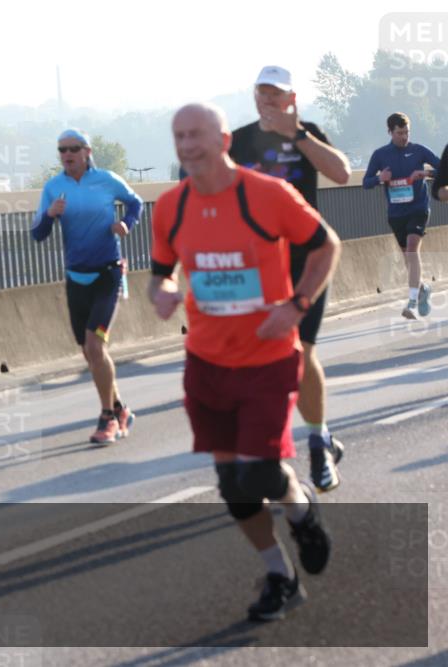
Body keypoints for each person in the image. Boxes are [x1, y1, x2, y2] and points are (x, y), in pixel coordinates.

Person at [149, 103, 340, 622]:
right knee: (232, 484)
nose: (187, 145)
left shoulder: (267, 195)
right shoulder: (171, 207)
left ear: (224, 139)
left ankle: (301, 512)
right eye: (179, 137)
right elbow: (160, 271)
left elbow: (326, 247)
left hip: (267, 356)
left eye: (196, 135)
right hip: (207, 362)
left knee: (258, 474)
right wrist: (162, 292)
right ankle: (280, 574)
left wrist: (297, 305)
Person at [229, 66, 351, 492]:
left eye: (276, 95)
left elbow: (341, 173)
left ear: (291, 98)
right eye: (262, 95)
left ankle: (317, 445)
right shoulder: (239, 141)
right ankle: (273, 456)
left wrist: (297, 134)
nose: (268, 102)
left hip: (308, 263)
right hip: (257, 271)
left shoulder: (308, 133)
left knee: (301, 354)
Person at [32, 129, 144, 444]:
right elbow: (38, 234)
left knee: (95, 346)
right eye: (62, 150)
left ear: (87, 151)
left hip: (108, 273)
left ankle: (107, 418)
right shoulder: (54, 188)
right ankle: (121, 408)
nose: (67, 154)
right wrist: (49, 216)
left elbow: (136, 204)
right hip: (75, 277)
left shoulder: (107, 180)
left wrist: (126, 224)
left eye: (73, 149)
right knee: (88, 351)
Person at [362, 113, 441, 319]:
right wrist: (380, 178)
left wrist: (425, 174)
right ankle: (423, 289)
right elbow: (366, 182)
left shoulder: (419, 150)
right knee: (408, 256)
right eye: (399, 133)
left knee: (413, 248)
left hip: (418, 208)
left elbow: (444, 168)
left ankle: (412, 303)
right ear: (390, 132)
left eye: (406, 132)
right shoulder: (380, 155)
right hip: (396, 213)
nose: (404, 137)